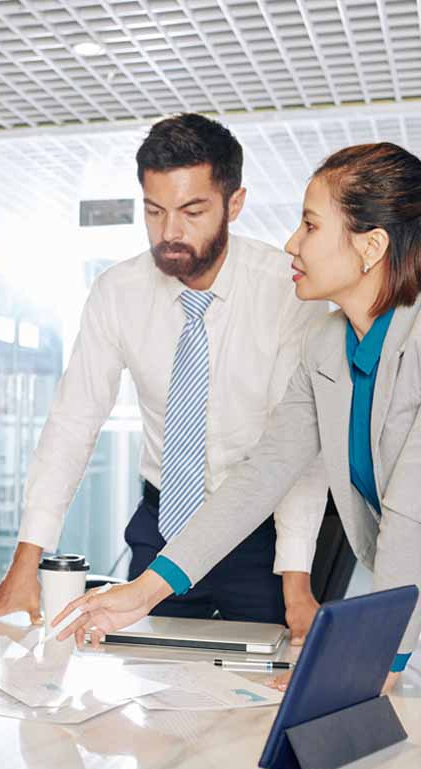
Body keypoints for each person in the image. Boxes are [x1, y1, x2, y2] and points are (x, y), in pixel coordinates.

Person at [54, 141, 421, 693]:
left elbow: (409, 520)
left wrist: (374, 661)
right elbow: (260, 475)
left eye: (311, 226)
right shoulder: (327, 345)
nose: (291, 243)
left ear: (370, 246)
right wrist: (145, 591)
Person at [0, 113, 328, 640]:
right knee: (156, 687)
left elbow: (296, 452)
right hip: (162, 525)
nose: (170, 232)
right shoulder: (118, 291)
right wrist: (26, 561)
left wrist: (296, 583)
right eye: (154, 211)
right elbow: (72, 424)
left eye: (192, 210)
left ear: (235, 204)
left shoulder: (285, 292)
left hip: (259, 536)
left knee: (265, 690)